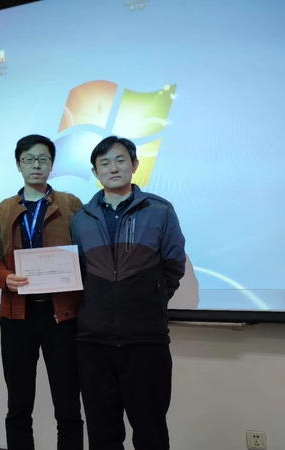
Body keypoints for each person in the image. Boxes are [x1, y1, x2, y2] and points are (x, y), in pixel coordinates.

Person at [71, 136, 186, 450]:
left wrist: (151, 298)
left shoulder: (159, 210)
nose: (113, 168)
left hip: (145, 341)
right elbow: (78, 272)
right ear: (95, 172)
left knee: (150, 432)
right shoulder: (81, 218)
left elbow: (173, 265)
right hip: (93, 343)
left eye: (120, 160)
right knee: (102, 434)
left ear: (134, 165)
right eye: (104, 163)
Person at [0, 134, 84, 450]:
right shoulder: (4, 209)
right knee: (18, 404)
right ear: (19, 165)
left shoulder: (70, 204)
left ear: (52, 164)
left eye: (43, 159)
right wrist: (5, 277)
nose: (36, 165)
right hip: (18, 316)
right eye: (29, 159)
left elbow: (85, 252)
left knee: (68, 403)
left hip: (61, 315)